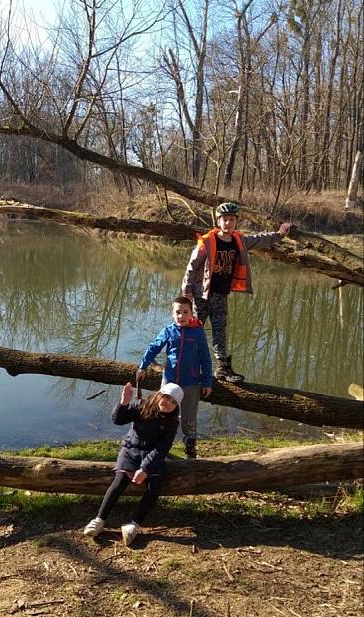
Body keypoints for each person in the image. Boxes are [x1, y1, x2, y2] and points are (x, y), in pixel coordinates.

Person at [182, 202, 294, 383]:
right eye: (225, 219)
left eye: (232, 220)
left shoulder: (239, 241)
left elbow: (260, 239)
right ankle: (188, 365)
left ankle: (222, 368)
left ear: (236, 222)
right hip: (200, 295)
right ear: (218, 221)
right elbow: (192, 267)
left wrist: (280, 234)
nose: (228, 223)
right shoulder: (207, 242)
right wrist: (186, 291)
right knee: (195, 329)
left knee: (220, 330)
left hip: (220, 294)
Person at [83, 381, 183, 546]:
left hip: (151, 456)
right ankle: (99, 520)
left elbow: (161, 449)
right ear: (159, 395)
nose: (168, 404)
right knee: (120, 480)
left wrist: (145, 468)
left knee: (154, 487)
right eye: (166, 398)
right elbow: (118, 420)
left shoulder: (172, 422)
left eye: (173, 402)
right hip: (131, 450)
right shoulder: (142, 406)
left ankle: (134, 524)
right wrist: (124, 402)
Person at [137, 295, 212, 460]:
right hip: (170, 381)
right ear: (172, 313)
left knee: (188, 418)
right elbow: (153, 348)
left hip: (190, 383)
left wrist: (207, 381)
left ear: (192, 313)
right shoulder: (168, 331)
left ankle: (190, 449)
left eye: (185, 312)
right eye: (178, 312)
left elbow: (206, 359)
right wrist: (143, 366)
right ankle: (156, 445)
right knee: (161, 413)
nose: (181, 316)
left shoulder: (198, 333)